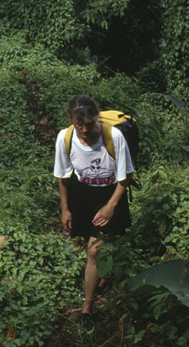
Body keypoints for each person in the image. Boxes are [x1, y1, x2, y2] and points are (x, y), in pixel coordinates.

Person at [53, 94, 134, 334]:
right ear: (71, 120)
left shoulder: (114, 137)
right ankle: (103, 275)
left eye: (89, 124)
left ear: (96, 119)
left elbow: (125, 177)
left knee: (94, 250)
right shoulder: (65, 138)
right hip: (82, 195)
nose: (85, 130)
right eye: (79, 124)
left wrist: (110, 207)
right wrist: (65, 208)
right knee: (92, 243)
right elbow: (63, 176)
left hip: (110, 194)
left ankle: (87, 307)